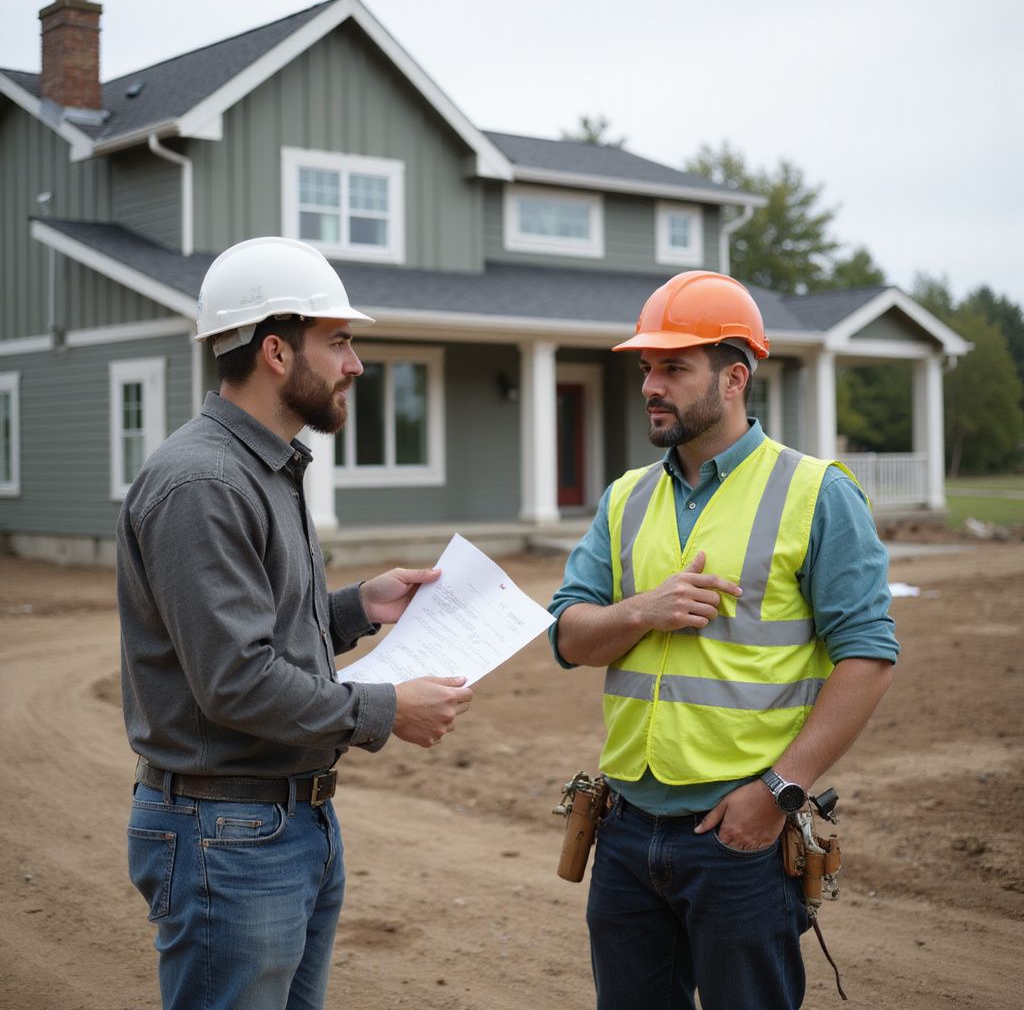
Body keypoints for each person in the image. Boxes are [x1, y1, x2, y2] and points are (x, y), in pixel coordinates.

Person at [117, 236, 474, 1010]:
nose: (356, 364)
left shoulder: (264, 466)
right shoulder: (204, 482)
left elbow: (254, 629)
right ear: (276, 350)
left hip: (282, 821)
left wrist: (356, 608)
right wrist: (388, 709)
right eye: (339, 342)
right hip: (228, 832)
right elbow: (235, 681)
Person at [548, 270, 898, 1010]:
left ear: (734, 376)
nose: (651, 384)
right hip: (625, 831)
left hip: (741, 841)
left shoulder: (816, 492)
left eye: (673, 367)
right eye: (647, 367)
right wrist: (643, 610)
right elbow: (570, 637)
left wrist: (777, 794)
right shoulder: (624, 499)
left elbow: (867, 658)